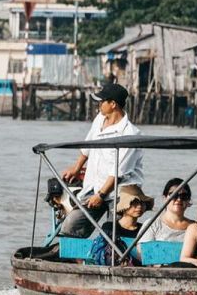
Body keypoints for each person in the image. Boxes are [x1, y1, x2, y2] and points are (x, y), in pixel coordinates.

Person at [59, 83, 144, 238]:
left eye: (102, 101)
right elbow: (88, 145)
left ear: (113, 104)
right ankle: (74, 260)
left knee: (116, 235)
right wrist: (76, 168)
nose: (99, 104)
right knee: (71, 226)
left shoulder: (130, 134)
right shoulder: (100, 119)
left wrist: (101, 195)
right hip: (94, 186)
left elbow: (118, 172)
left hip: (119, 192)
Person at [94, 184, 154, 265]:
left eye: (142, 203)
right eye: (134, 203)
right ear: (124, 206)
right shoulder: (110, 227)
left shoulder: (145, 229)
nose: (139, 206)